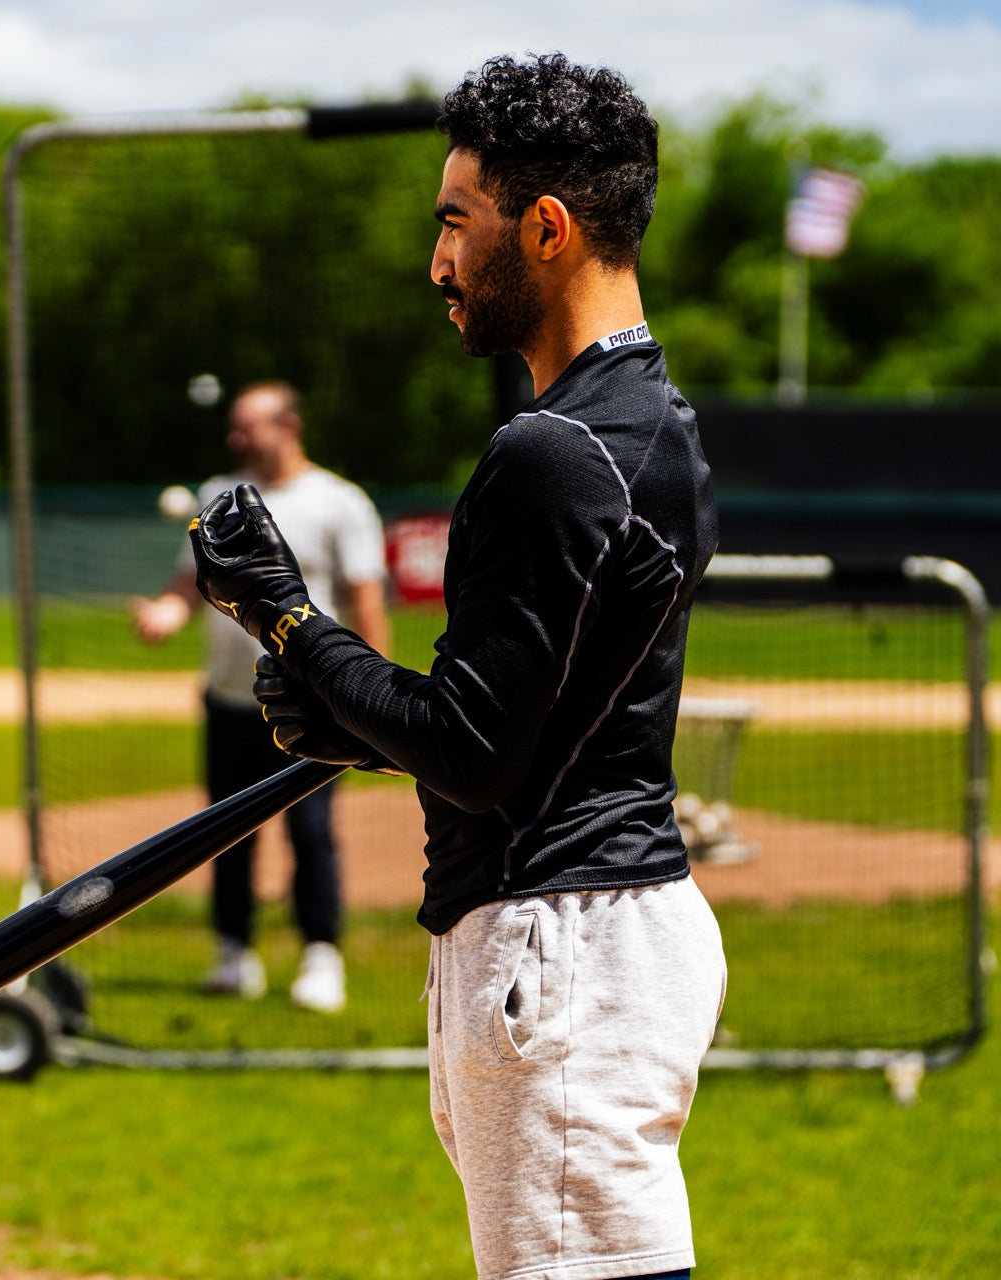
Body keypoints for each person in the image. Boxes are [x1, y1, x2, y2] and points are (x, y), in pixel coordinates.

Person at [187, 54, 727, 1280]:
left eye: (453, 222)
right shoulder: (653, 422)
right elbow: (530, 721)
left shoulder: (551, 449)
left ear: (542, 229)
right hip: (594, 935)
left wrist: (283, 617)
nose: (437, 262)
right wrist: (353, 718)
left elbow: (476, 754)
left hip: (557, 940)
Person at [130, 379, 389, 1013]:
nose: (236, 438)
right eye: (235, 428)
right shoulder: (218, 496)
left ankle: (320, 957)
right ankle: (233, 954)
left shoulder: (339, 501)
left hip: (310, 705)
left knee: (311, 831)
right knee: (223, 832)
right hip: (227, 699)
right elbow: (193, 579)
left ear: (289, 427)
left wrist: (368, 692)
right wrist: (169, 608)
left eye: (248, 426)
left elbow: (365, 599)